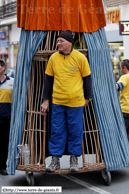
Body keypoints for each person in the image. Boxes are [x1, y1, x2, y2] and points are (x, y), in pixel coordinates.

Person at [41, 30, 92, 172]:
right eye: (58, 41)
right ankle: (55, 160)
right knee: (57, 130)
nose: (58, 44)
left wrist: (87, 98)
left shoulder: (80, 58)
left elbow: (87, 79)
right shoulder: (53, 58)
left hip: (76, 103)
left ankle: (74, 159)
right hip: (57, 101)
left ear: (70, 43)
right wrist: (45, 100)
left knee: (75, 131)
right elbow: (48, 81)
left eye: (61, 41)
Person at [0, 59, 14, 175]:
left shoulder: (12, 82)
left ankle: (2, 166)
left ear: (3, 68)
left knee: (4, 144)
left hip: (6, 118)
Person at [116, 59, 129, 141]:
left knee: (124, 136)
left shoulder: (125, 77)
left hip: (125, 111)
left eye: (121, 68)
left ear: (124, 68)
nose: (120, 70)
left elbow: (119, 85)